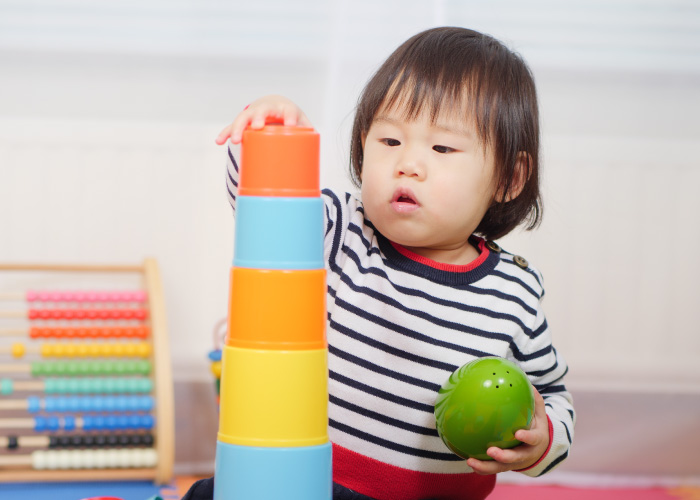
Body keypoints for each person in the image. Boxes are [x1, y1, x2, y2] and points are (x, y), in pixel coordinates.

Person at [184, 26, 575, 500]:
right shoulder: (341, 227)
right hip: (308, 484)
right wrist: (270, 136)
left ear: (509, 178)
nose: (408, 163)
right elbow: (262, 205)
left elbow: (553, 396)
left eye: (442, 148)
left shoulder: (514, 291)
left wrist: (540, 439)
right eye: (389, 141)